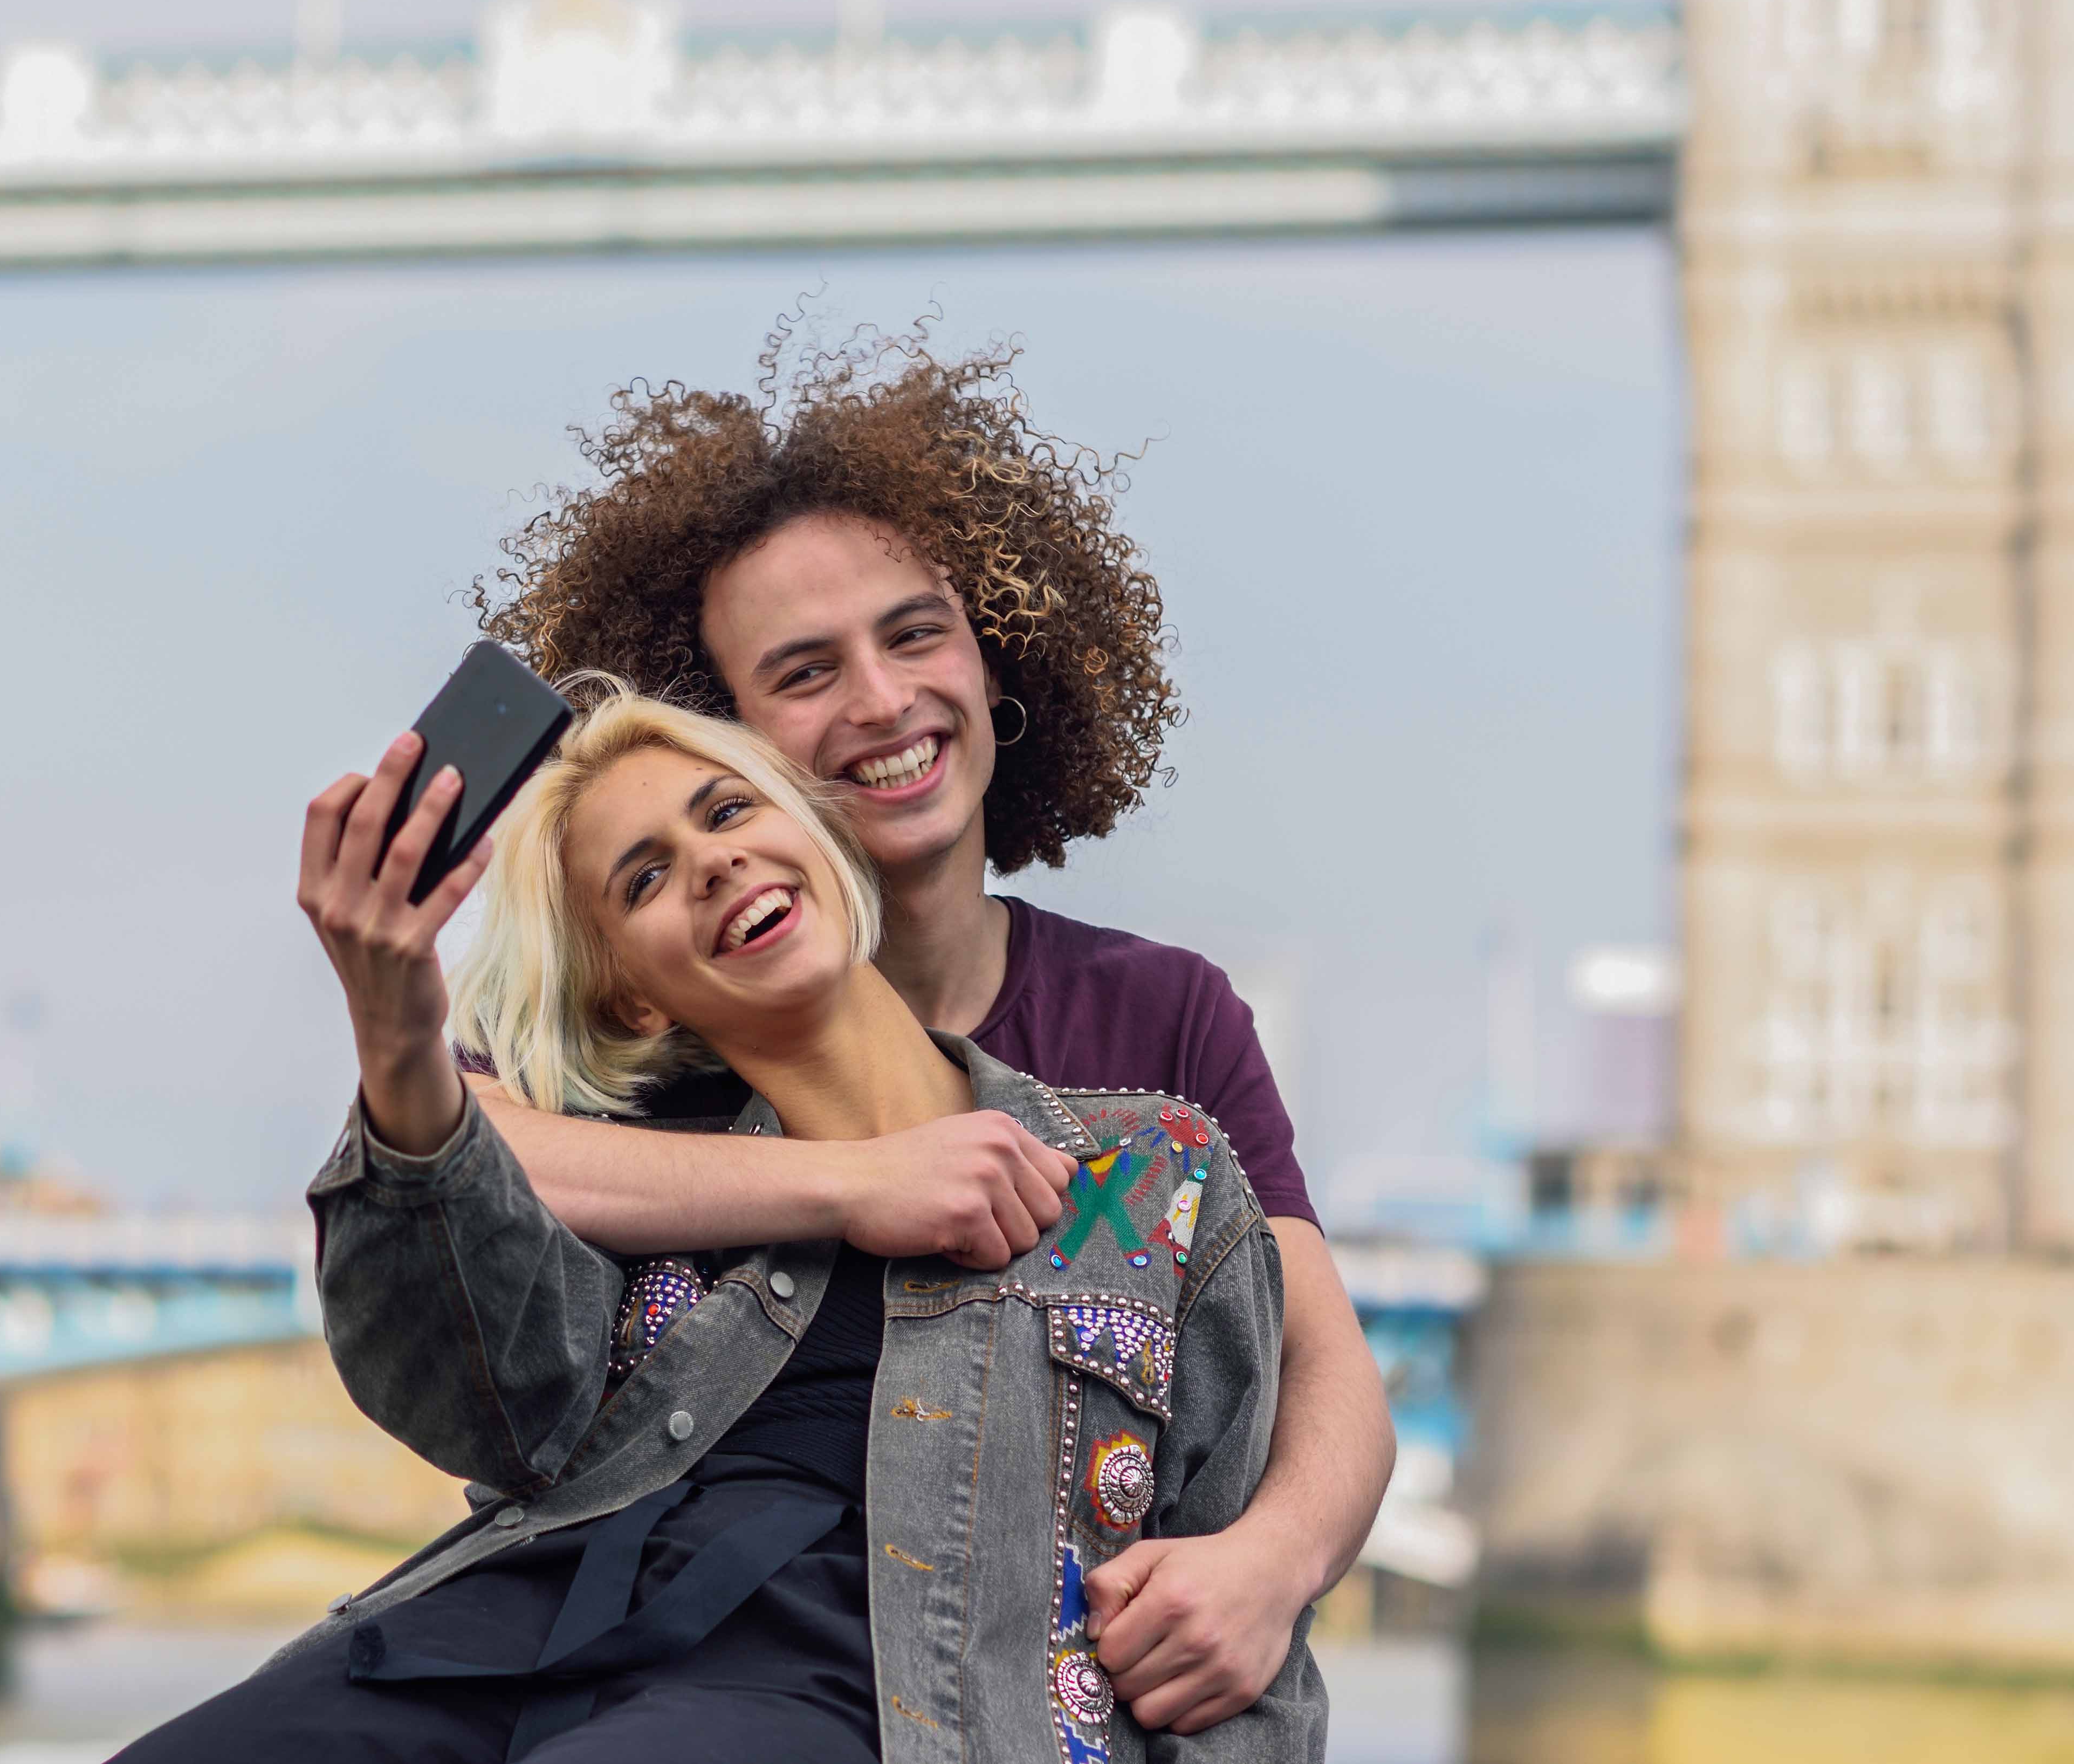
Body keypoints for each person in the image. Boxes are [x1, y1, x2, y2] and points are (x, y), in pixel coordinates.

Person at [458, 328, 1391, 1733]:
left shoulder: (1149, 1019)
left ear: (994, 650)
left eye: (914, 632)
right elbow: (464, 1168)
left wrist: (1272, 1561)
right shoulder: (644, 1036)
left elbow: (1321, 1366)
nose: (885, 702)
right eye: (806, 671)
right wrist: (855, 1182)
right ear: (722, 744)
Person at [125, 691, 1322, 1762]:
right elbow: (466, 1389)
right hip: (523, 1630)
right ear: (632, 992)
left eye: (728, 808)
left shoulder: (1144, 1171)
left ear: (815, 834)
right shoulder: (645, 1190)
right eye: (643, 876)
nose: (709, 860)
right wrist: (394, 1028)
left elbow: (1237, 1639)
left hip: (882, 1681)